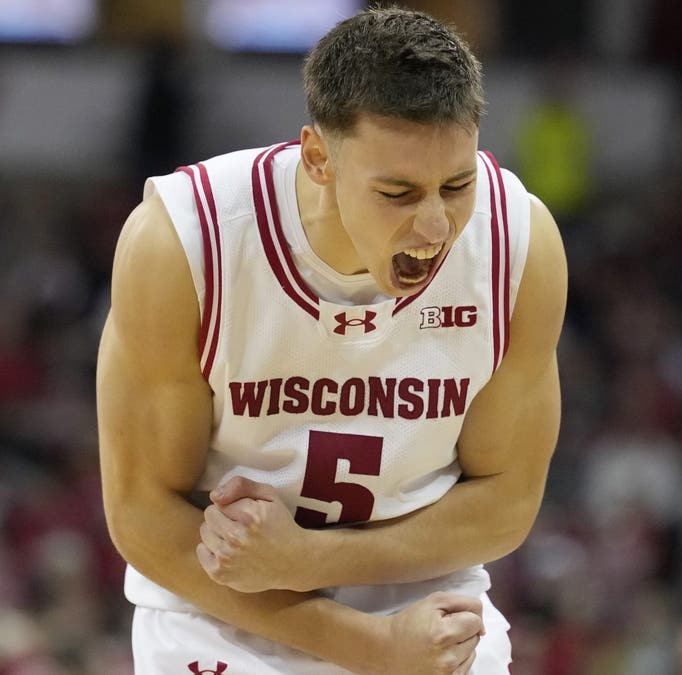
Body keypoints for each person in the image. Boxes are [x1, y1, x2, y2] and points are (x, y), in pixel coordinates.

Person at [96, 8, 567, 674]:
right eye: (398, 192)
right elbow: (144, 512)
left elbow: (507, 501)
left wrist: (315, 558)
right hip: (224, 599)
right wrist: (364, 644)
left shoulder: (518, 244)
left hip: (417, 584)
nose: (435, 224)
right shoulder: (185, 240)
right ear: (318, 157)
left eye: (456, 185)